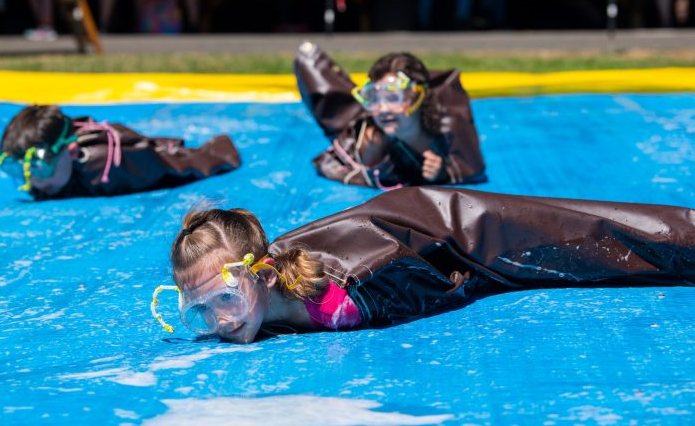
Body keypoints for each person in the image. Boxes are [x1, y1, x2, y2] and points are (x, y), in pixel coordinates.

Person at [152, 186, 695, 344]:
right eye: (198, 309)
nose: (220, 319)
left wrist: (470, 278)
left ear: (265, 275)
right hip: (410, 224)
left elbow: (432, 275)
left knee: (591, 240)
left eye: (224, 296)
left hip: (461, 234)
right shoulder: (262, 291)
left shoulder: (344, 299)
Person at [294, 41, 486, 189]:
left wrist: (443, 172)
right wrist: (369, 158)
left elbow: (473, 170)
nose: (383, 108)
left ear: (417, 97)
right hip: (358, 123)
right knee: (307, 62)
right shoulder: (366, 131)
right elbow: (329, 164)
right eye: (374, 98)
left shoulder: (448, 126)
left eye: (393, 97)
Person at [0, 105, 241, 199]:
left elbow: (169, 164)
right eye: (19, 171)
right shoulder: (52, 175)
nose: (34, 182)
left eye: (39, 167)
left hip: (140, 156)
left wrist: (217, 156)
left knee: (172, 160)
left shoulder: (105, 168)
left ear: (72, 151)